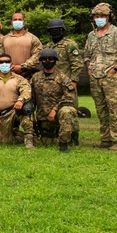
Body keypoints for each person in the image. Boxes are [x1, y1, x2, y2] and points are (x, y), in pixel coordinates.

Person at [83, 2, 117, 150]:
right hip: (95, 78)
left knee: (114, 109)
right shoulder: (91, 35)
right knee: (101, 110)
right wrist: (89, 69)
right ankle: (105, 139)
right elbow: (87, 55)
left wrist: (114, 69)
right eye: (96, 16)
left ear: (109, 17)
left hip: (110, 78)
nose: (99, 18)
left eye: (102, 16)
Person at [0, 54, 35, 150]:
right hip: (3, 114)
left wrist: (20, 100)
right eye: (2, 62)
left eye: (7, 62)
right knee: (5, 142)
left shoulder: (19, 79)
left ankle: (29, 139)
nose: (4, 64)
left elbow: (27, 91)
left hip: (16, 110)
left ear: (11, 64)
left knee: (27, 109)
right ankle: (19, 136)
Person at [45, 18, 84, 146]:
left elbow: (77, 64)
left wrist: (73, 81)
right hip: (52, 84)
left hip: (67, 84)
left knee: (71, 109)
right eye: (52, 30)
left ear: (62, 30)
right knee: (53, 109)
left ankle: (74, 136)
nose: (55, 32)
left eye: (57, 29)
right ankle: (58, 133)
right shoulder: (48, 46)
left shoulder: (70, 45)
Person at [30, 49, 78, 152]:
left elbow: (69, 97)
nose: (48, 61)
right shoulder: (36, 77)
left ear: (55, 61)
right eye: (45, 59)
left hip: (58, 114)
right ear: (41, 61)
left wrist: (55, 110)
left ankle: (64, 144)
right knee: (47, 143)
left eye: (51, 59)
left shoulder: (63, 77)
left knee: (67, 111)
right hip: (43, 116)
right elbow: (32, 97)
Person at [0, 12, 42, 77]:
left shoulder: (33, 38)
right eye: (15, 20)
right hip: (8, 74)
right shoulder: (4, 39)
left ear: (24, 21)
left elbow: (38, 55)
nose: (17, 21)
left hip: (27, 75)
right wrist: (8, 66)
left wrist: (22, 67)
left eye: (20, 19)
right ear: (11, 22)